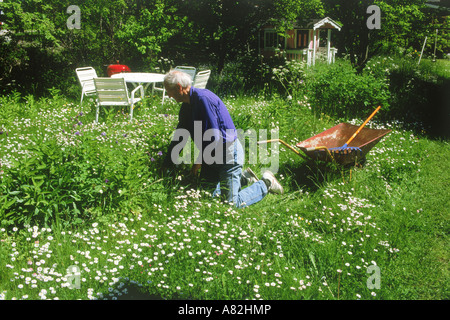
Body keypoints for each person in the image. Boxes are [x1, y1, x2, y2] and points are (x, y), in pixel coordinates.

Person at [162, 70, 283, 208]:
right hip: (211, 156)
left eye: (169, 91)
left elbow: (214, 139)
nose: (169, 96)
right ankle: (244, 178)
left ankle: (266, 183)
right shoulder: (186, 107)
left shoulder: (203, 100)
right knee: (204, 194)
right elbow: (180, 136)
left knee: (230, 204)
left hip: (228, 155)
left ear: (179, 87)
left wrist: (197, 164)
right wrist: (166, 165)